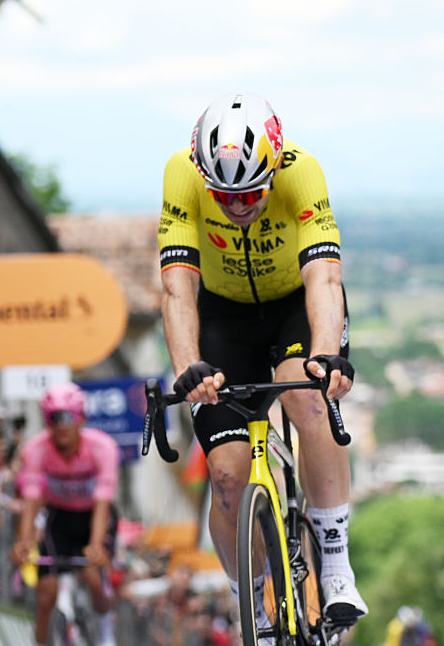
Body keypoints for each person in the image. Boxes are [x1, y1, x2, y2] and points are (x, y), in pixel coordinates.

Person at [157, 93, 367, 625]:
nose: (238, 206)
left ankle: (337, 565)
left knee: (305, 400)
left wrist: (325, 354)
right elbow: (178, 290)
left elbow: (324, 276)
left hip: (294, 306)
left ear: (273, 168)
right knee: (227, 479)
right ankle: (250, 606)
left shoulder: (302, 171)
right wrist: (188, 365)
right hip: (224, 317)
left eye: (251, 192)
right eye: (224, 196)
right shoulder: (181, 174)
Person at [11, 383, 120, 646]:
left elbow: (103, 501)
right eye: (53, 417)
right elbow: (32, 498)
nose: (61, 424)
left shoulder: (102, 447)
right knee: (46, 592)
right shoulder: (35, 449)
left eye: (67, 416)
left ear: (81, 417)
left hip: (95, 517)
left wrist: (95, 545)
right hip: (59, 516)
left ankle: (105, 634)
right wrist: (24, 541)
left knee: (93, 578)